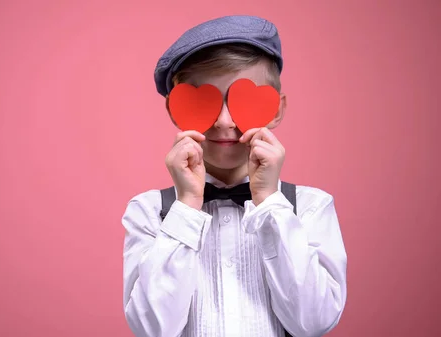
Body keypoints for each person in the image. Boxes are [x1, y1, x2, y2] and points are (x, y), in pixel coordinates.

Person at [121, 15, 348, 337]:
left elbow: (313, 323)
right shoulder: (148, 211)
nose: (225, 121)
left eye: (242, 101)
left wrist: (270, 203)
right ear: (176, 110)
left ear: (277, 110)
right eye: (205, 101)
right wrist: (186, 207)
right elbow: (153, 328)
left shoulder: (310, 207)